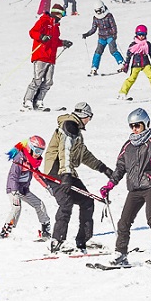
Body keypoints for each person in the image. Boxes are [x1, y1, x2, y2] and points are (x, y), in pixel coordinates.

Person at [97, 107, 151, 265]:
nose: (135, 129)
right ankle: (120, 254)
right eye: (132, 126)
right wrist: (110, 184)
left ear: (145, 123)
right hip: (135, 188)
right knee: (124, 221)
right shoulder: (128, 146)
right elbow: (120, 168)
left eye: (138, 125)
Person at [42, 102, 112, 253]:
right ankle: (57, 241)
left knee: (87, 201)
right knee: (66, 204)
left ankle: (83, 240)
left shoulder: (76, 132)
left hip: (67, 173)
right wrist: (66, 175)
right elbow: (64, 151)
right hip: (56, 171)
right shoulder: (69, 127)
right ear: (85, 116)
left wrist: (102, 168)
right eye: (90, 118)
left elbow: (84, 154)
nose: (89, 121)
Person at [0, 134, 51, 241]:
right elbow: (13, 175)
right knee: (16, 207)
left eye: (41, 152)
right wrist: (14, 191)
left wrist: (47, 186)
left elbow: (36, 175)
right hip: (13, 189)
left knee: (39, 204)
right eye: (36, 150)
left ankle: (45, 229)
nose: (38, 154)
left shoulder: (33, 161)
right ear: (30, 147)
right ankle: (5, 231)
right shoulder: (19, 159)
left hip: (23, 190)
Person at [22, 4, 69, 111]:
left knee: (48, 81)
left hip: (51, 57)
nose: (63, 16)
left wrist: (63, 42)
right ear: (57, 13)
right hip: (41, 55)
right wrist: (41, 37)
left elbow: (54, 42)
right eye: (63, 14)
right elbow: (32, 32)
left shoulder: (56, 27)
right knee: (37, 80)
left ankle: (38, 101)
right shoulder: (44, 20)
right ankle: (27, 101)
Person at [119, 24, 151, 99]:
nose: (141, 36)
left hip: (145, 63)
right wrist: (126, 65)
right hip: (136, 64)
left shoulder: (147, 44)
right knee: (131, 78)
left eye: (143, 35)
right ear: (136, 35)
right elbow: (128, 56)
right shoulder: (133, 45)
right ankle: (122, 93)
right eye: (139, 35)